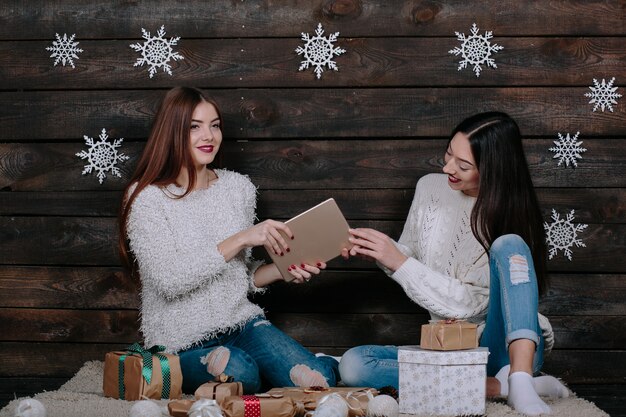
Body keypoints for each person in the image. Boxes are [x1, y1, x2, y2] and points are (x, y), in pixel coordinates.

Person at [338, 112, 569, 416]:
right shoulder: (429, 188)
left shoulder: (509, 215)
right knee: (354, 366)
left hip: (502, 349)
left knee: (509, 244)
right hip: (446, 347)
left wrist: (400, 262)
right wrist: (381, 252)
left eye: (463, 165)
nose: (448, 168)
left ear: (493, 170)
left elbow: (470, 305)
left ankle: (521, 379)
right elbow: (409, 254)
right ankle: (500, 388)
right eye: (449, 154)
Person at [118, 87, 338, 394]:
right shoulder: (146, 198)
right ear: (171, 132)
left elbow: (239, 277)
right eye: (194, 126)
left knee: (320, 380)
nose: (208, 136)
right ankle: (243, 369)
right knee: (240, 371)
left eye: (215, 125)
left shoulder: (238, 188)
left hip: (244, 326)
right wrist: (240, 238)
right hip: (182, 341)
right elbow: (169, 280)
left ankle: (309, 363)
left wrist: (283, 270)